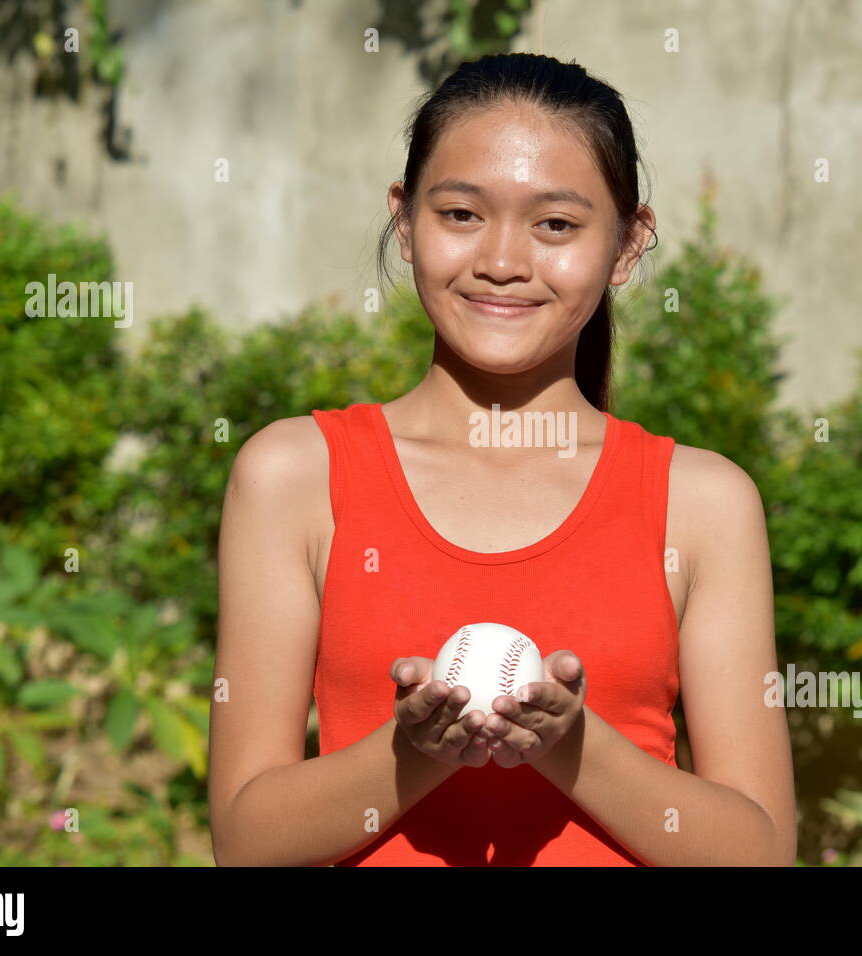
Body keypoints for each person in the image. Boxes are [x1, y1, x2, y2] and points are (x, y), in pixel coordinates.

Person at [208, 52, 796, 866]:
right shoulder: (294, 476)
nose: (503, 261)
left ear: (627, 246)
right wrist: (414, 754)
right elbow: (245, 842)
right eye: (460, 214)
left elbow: (760, 852)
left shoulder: (702, 502)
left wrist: (569, 745)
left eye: (556, 224)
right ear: (405, 220)